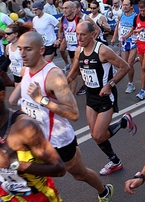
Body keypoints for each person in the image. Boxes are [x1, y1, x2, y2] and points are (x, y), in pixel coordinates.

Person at [9, 31, 114, 201]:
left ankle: (104, 191)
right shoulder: (25, 70)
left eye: (28, 49)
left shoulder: (53, 76)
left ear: (41, 49)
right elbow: (14, 100)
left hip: (58, 140)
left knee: (80, 175)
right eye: (20, 49)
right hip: (33, 140)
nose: (22, 54)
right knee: (25, 178)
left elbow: (73, 114)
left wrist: (41, 99)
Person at [66, 21, 137, 176]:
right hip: (91, 97)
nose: (79, 37)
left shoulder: (103, 51)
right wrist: (60, 86)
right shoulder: (79, 51)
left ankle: (123, 122)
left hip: (106, 96)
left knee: (99, 135)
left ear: (93, 34)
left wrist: (110, 84)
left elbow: (125, 66)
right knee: (95, 135)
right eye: (77, 34)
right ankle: (115, 161)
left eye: (83, 34)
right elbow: (73, 71)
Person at [0, 77, 66, 201]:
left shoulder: (24, 127)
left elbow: (59, 169)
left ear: (1, 95)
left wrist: (13, 164)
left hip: (39, 197)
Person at [1, 21, 32, 85]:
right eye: (5, 34)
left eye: (8, 34)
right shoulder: (8, 47)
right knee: (19, 94)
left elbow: (29, 61)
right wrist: (1, 68)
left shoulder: (23, 46)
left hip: (26, 75)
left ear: (16, 34)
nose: (6, 36)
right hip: (16, 74)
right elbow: (8, 60)